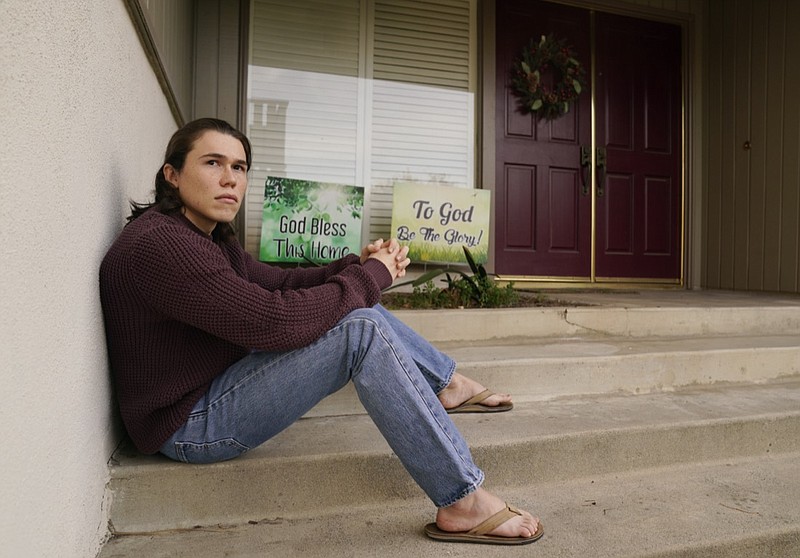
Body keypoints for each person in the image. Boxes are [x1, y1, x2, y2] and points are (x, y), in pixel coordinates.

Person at [99, 118, 543, 545]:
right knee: (359, 328)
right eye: (213, 163)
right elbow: (273, 322)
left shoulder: (206, 237)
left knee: (353, 301)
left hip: (212, 384)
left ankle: (445, 383)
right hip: (188, 424)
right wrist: (370, 277)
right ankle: (462, 499)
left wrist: (357, 265)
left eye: (239, 167)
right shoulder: (163, 246)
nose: (230, 179)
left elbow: (278, 282)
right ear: (172, 175)